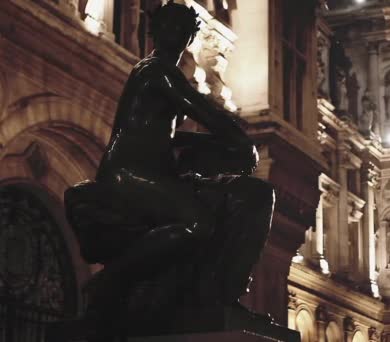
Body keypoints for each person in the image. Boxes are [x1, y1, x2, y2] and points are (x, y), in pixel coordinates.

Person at [67, 1, 275, 339]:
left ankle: (214, 296)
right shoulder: (156, 70)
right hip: (128, 173)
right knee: (196, 223)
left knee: (237, 201)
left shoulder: (163, 72)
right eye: (168, 26)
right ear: (154, 29)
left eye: (181, 29)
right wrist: (241, 143)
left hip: (155, 173)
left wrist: (209, 148)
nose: (173, 34)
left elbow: (169, 136)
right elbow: (206, 112)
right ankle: (111, 279)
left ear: (189, 36)